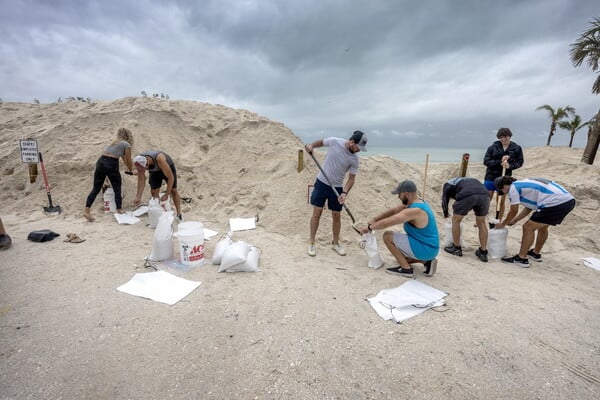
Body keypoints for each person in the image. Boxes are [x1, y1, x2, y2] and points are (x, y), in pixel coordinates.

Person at [305, 130, 368, 257]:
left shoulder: (355, 159)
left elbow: (351, 179)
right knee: (317, 213)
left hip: (337, 188)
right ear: (351, 142)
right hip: (322, 183)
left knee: (336, 216)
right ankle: (312, 242)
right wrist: (312, 146)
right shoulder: (335, 142)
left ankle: (335, 243)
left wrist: (344, 193)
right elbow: (321, 142)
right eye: (358, 147)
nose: (359, 150)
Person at [361, 180, 439, 278]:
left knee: (387, 236)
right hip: (429, 247)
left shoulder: (415, 211)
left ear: (405, 193)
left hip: (425, 248)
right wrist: (374, 219)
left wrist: (369, 228)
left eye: (399, 194)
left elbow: (387, 223)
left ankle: (406, 269)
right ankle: (427, 261)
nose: (398, 197)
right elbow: (394, 211)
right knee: (400, 258)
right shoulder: (419, 203)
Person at [494, 176, 576, 267]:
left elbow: (513, 210)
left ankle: (521, 258)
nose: (503, 192)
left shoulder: (513, 188)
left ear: (504, 186)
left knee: (528, 227)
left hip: (555, 202)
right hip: (568, 200)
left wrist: (503, 224)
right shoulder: (522, 185)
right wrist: (515, 220)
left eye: (501, 190)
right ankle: (535, 253)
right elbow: (528, 208)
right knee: (543, 226)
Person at [83, 128, 134, 221]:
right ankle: (119, 209)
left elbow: (123, 159)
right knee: (117, 187)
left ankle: (87, 210)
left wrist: (130, 169)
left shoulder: (114, 143)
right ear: (128, 136)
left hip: (101, 161)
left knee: (96, 188)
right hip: (111, 163)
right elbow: (128, 160)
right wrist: (131, 170)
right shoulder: (127, 144)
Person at [441, 177, 490, 262]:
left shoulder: (447, 185)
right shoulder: (466, 181)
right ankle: (483, 252)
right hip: (485, 195)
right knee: (482, 223)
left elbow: (444, 199)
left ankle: (456, 248)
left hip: (467, 194)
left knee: (456, 221)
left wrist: (445, 212)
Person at [483, 128, 524, 221]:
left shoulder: (517, 148)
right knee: (486, 199)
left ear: (509, 136)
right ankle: (481, 218)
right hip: (490, 176)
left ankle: (498, 220)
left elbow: (520, 162)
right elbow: (486, 161)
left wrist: (509, 166)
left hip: (504, 178)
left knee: (500, 201)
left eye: (505, 137)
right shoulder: (492, 147)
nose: (503, 140)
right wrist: (499, 161)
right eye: (501, 138)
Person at [133, 150, 183, 220]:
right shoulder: (139, 161)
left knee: (173, 190)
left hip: (166, 167)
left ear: (147, 162)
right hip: (154, 171)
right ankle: (158, 214)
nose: (144, 171)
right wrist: (138, 196)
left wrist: (167, 194)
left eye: (145, 169)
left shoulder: (159, 158)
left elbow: (171, 178)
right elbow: (141, 180)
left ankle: (179, 214)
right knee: (154, 192)